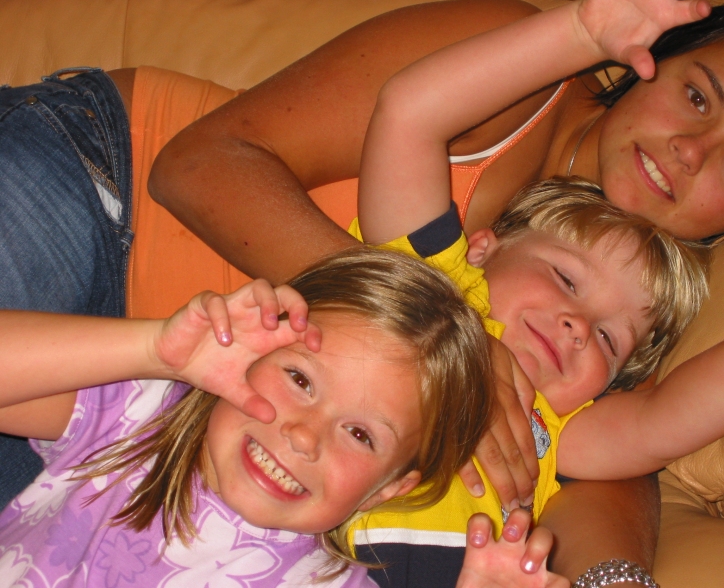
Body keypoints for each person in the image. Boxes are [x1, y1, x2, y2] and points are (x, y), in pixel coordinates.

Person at [3, 0, 724, 580]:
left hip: (169, 440)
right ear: (648, 62)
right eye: (697, 95)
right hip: (102, 189)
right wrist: (448, 344)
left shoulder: (635, 311)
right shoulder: (517, 80)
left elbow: (628, 450)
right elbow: (197, 165)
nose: (693, 150)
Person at [0, 248, 567, 587]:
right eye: (300, 380)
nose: (302, 434)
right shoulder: (138, 415)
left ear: (385, 489)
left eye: (360, 434)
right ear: (252, 351)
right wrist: (155, 351)